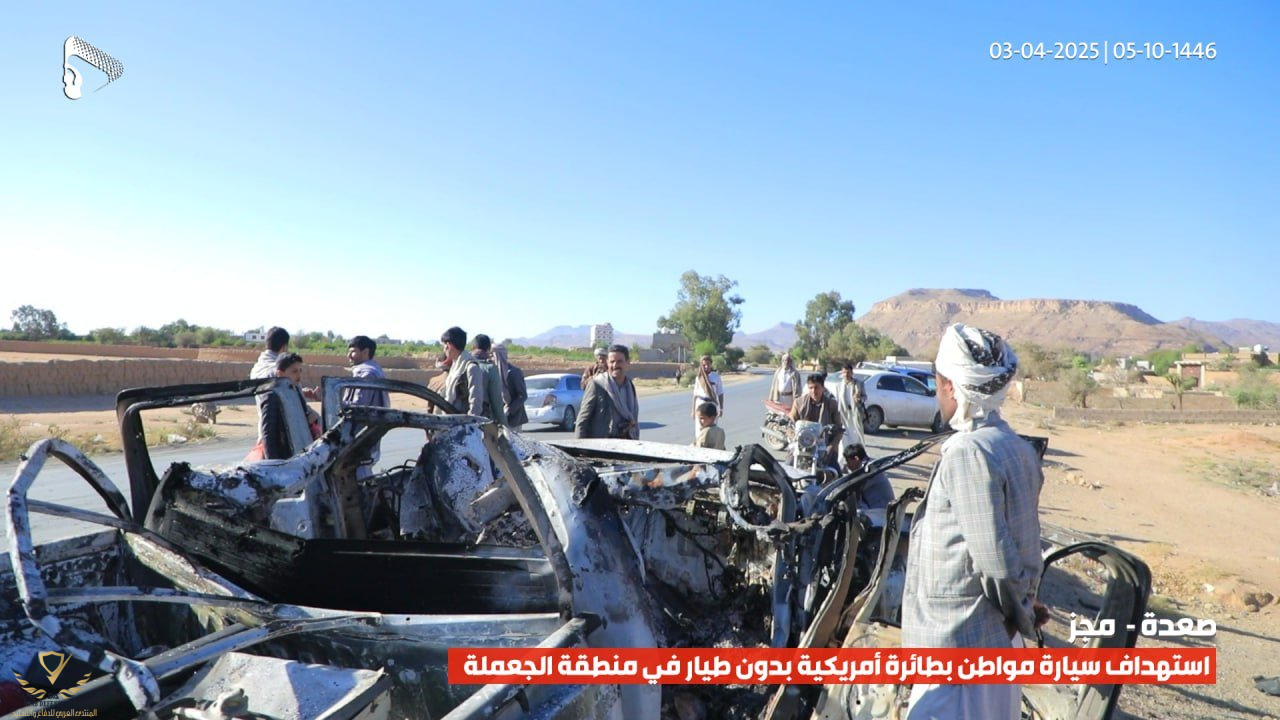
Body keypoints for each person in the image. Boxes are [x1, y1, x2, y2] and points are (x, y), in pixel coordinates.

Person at [902, 324, 1044, 720]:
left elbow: (995, 561)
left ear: (950, 386)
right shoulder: (1015, 446)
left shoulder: (968, 452)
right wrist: (1025, 604)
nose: (937, 394)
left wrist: (1023, 614)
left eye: (938, 384)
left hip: (960, 650)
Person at [341, 335, 390, 479]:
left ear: (365, 352)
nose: (349, 356)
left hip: (360, 437)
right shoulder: (374, 370)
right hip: (369, 435)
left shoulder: (366, 373)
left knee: (358, 474)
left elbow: (357, 407)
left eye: (353, 351)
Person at [575, 344, 639, 440]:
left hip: (626, 442)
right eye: (612, 362)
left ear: (627, 362)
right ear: (607, 363)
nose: (615, 365)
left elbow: (634, 420)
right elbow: (582, 420)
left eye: (619, 361)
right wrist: (579, 446)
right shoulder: (597, 384)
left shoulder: (630, 386)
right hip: (603, 444)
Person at [790, 373, 843, 470]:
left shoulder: (832, 404)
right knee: (786, 468)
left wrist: (831, 447)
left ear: (822, 387)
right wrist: (793, 436)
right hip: (802, 444)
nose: (813, 391)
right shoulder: (798, 403)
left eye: (816, 387)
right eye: (810, 388)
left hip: (823, 446)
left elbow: (839, 430)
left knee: (835, 471)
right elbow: (791, 423)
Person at [440, 326, 485, 416]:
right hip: (450, 419)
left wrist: (469, 422)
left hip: (462, 421)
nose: (444, 350)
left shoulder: (471, 367)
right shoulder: (455, 366)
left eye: (444, 346)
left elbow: (476, 403)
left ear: (449, 345)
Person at [841, 442, 894, 512]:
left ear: (856, 459)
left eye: (848, 461)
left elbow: (855, 488)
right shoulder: (869, 464)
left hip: (880, 510)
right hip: (880, 507)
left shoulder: (869, 470)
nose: (848, 465)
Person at [470, 334, 509, 425]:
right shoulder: (490, 369)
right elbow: (497, 402)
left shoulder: (461, 366)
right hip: (482, 421)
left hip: (458, 419)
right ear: (489, 348)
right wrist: (505, 425)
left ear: (473, 347)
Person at [493, 344, 529, 430]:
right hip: (498, 419)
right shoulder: (493, 371)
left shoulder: (514, 372)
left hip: (514, 419)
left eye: (493, 355)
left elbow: (522, 395)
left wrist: (509, 410)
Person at [691, 354, 725, 433]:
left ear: (711, 364)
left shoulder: (716, 377)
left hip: (712, 404)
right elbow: (695, 395)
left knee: (712, 427)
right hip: (700, 404)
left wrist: (721, 408)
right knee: (700, 428)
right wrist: (693, 410)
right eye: (704, 365)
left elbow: (720, 393)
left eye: (708, 364)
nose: (706, 366)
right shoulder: (699, 378)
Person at [837, 363, 866, 447]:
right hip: (844, 413)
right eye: (844, 372)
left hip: (855, 412)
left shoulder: (858, 383)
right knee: (845, 433)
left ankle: (858, 448)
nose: (846, 375)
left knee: (856, 432)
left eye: (848, 372)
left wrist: (859, 399)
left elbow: (865, 397)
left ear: (852, 373)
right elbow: (838, 400)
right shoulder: (839, 385)